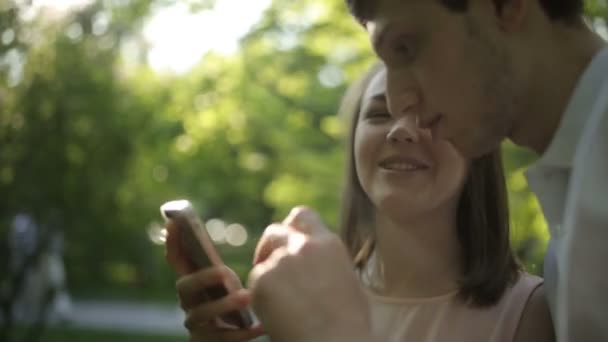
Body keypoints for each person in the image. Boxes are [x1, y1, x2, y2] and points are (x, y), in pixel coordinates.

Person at [166, 64, 554, 341]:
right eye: (380, 114)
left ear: (478, 147)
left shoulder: (532, 314)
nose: (401, 130)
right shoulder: (305, 293)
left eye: (430, 115)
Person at [344, 1, 608, 341]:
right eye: (376, 115)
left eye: (406, 48)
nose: (398, 102)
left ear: (506, 6)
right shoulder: (568, 232)